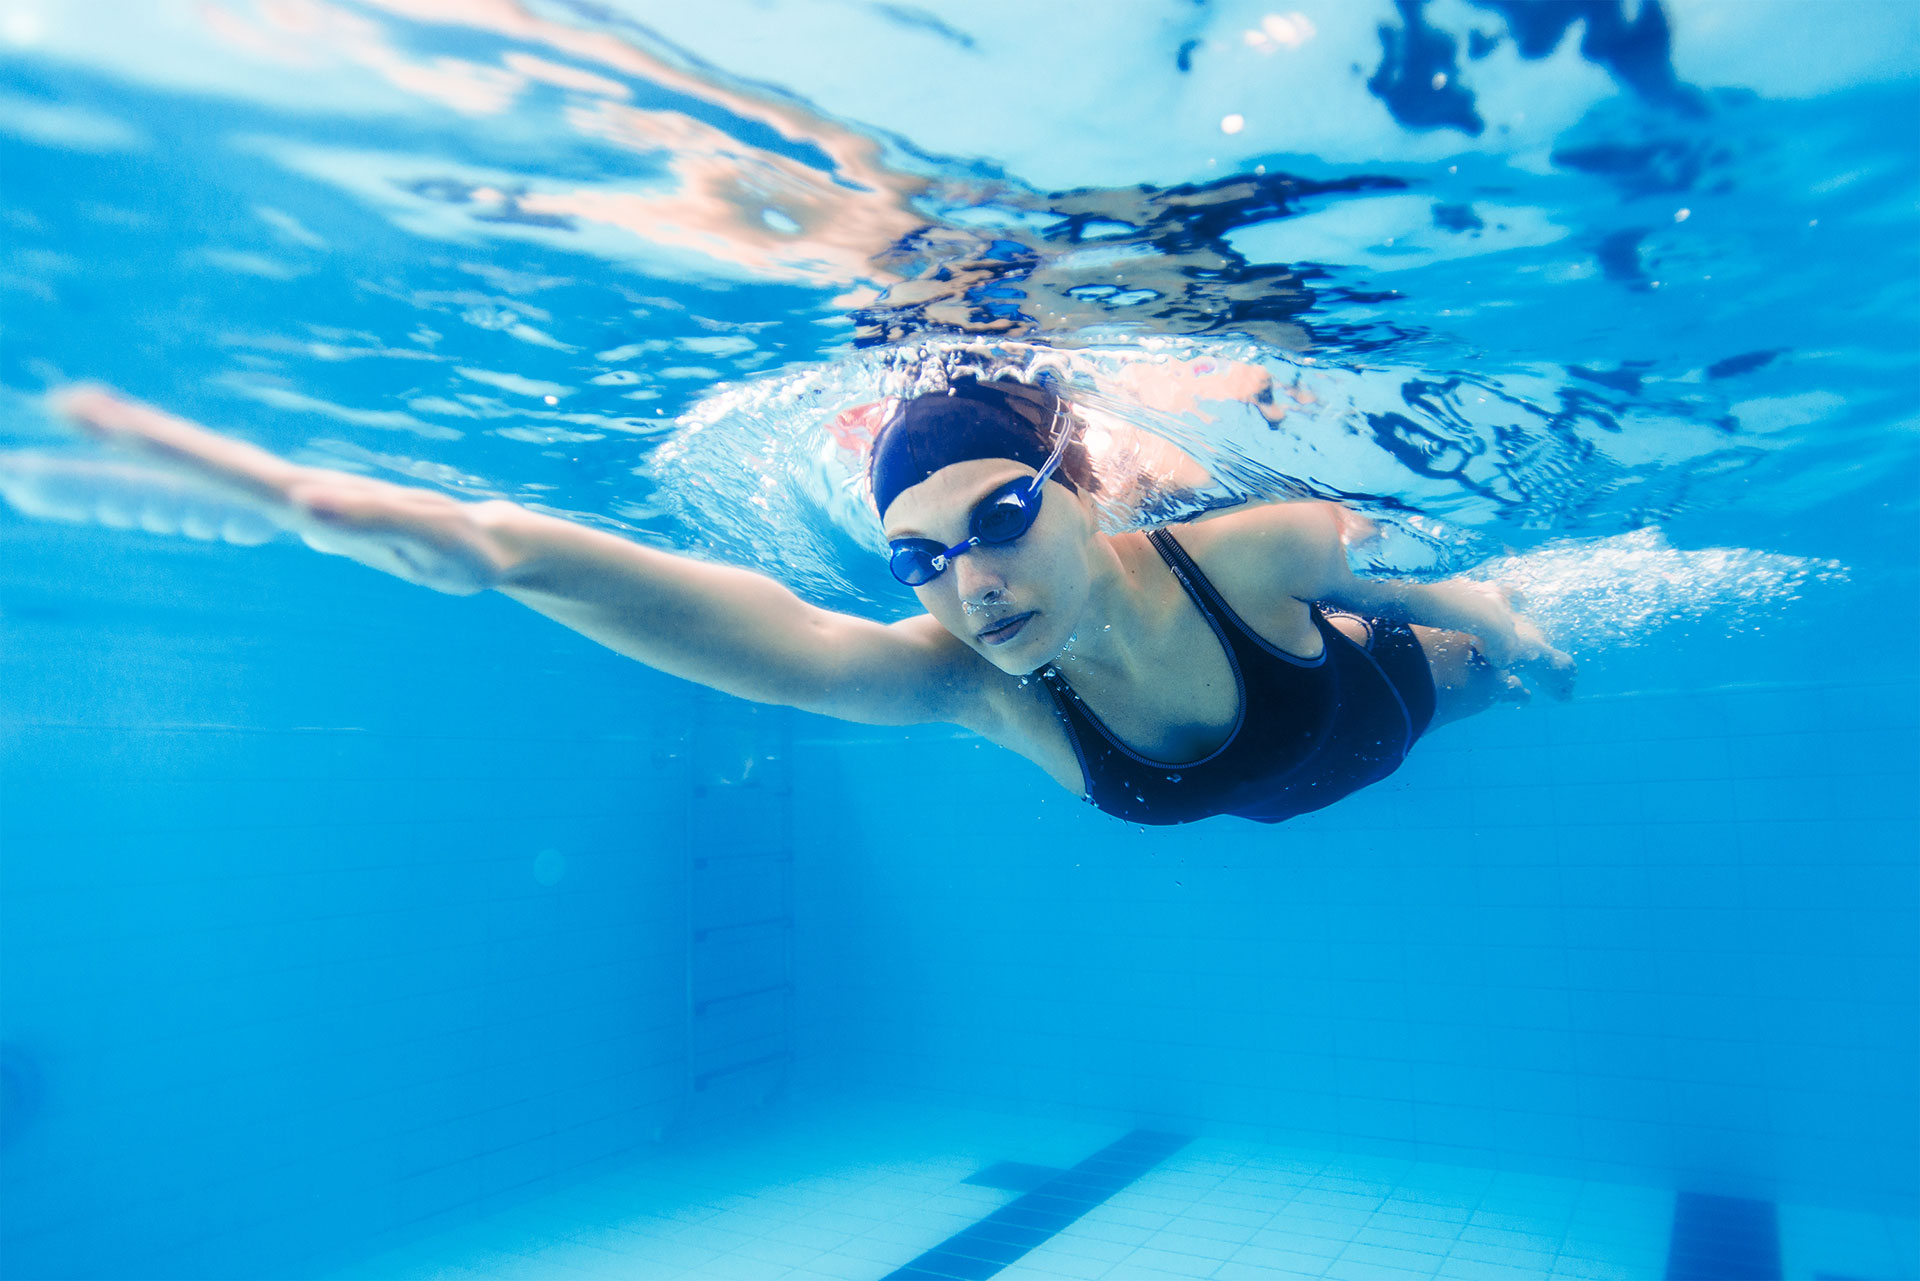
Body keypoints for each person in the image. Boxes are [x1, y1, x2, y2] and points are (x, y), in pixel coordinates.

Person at [49, 369, 1572, 826]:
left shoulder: (1250, 549)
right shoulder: (978, 682)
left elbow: (1439, 580)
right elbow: (746, 634)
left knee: (1496, 677)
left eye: (1001, 516)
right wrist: (458, 541)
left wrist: (1505, 629)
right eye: (920, 556)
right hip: (1286, 778)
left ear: (1088, 485)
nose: (967, 583)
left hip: (1388, 701)